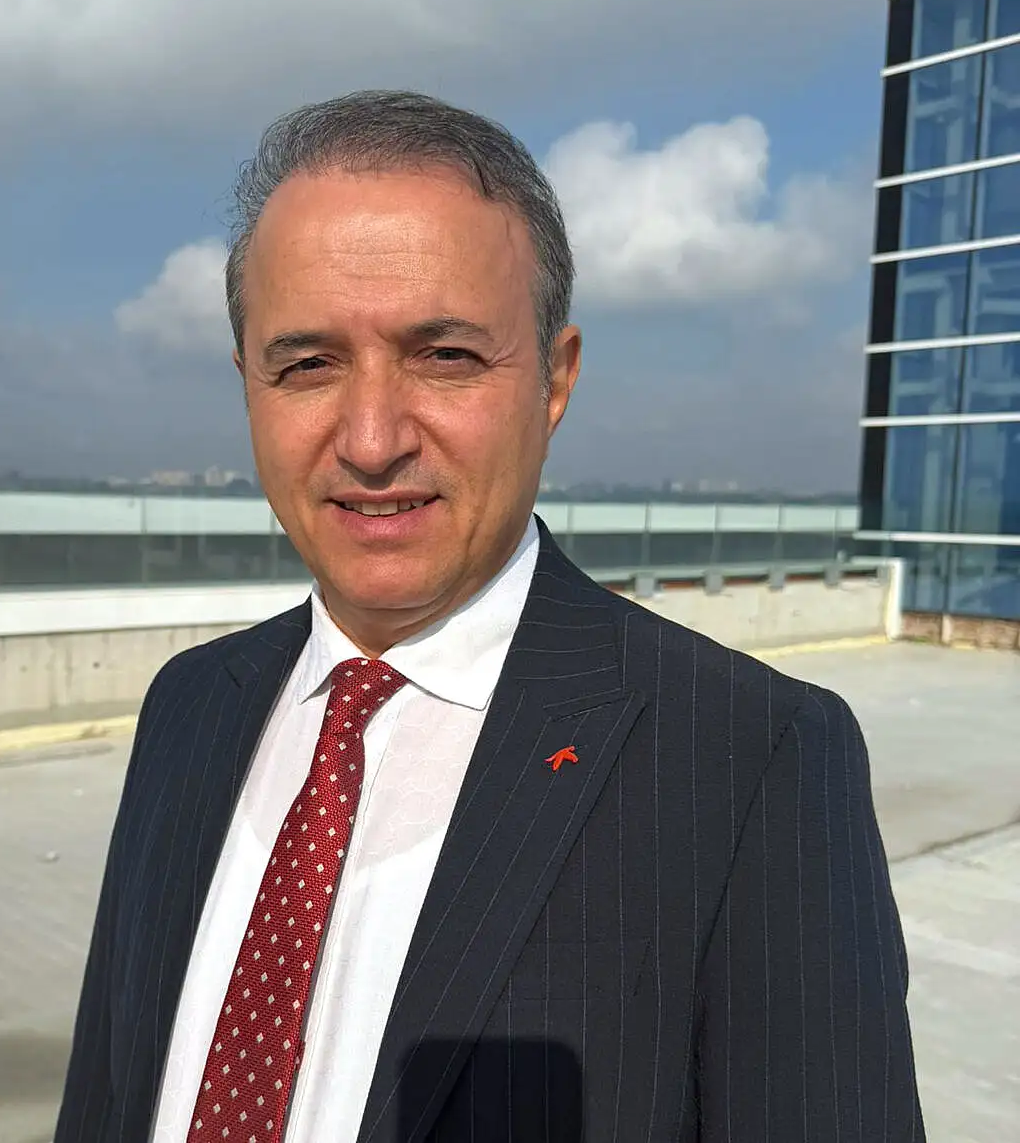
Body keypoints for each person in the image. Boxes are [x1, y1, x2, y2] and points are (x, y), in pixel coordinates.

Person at [54, 90, 923, 1143]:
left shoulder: (750, 758)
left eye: (445, 356)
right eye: (308, 364)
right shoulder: (189, 706)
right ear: (249, 385)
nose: (370, 439)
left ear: (554, 382)